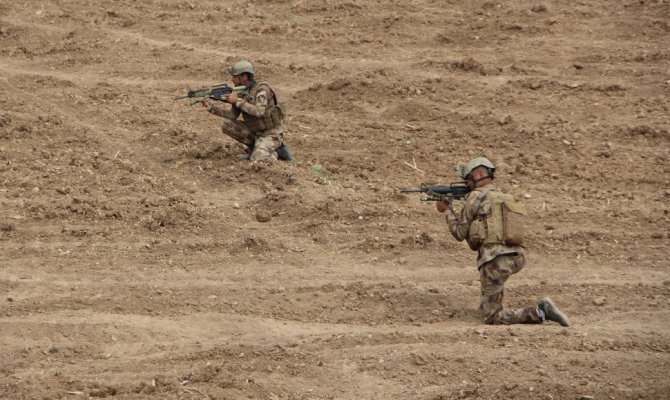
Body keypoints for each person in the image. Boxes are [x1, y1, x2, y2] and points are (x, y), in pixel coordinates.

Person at [436, 157, 570, 326]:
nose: (467, 184)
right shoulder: (505, 197)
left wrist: (447, 211)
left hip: (495, 261)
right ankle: (488, 302)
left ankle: (539, 311)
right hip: (515, 257)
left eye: (468, 179)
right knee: (492, 284)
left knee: (493, 318)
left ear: (477, 175)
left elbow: (459, 233)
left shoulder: (475, 197)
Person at [201, 60, 292, 161]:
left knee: (258, 158)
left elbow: (259, 112)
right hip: (255, 132)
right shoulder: (240, 91)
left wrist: (237, 101)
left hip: (270, 133)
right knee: (227, 125)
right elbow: (232, 115)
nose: (232, 80)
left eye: (234, 77)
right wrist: (211, 108)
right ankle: (255, 148)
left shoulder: (261, 89)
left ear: (244, 77)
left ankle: (276, 153)